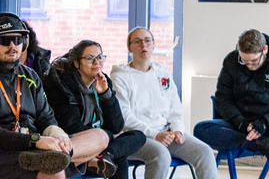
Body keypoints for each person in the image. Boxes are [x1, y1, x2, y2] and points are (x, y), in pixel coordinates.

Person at [0, 12, 110, 179]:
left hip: (38, 146)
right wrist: (35, 141)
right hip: (7, 150)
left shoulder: (30, 75)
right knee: (55, 172)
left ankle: (54, 156)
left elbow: (46, 117)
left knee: (101, 136)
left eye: (17, 40)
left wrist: (58, 136)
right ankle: (56, 158)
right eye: (4, 41)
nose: (12, 46)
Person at [193, 29, 269, 179]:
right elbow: (223, 99)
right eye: (244, 61)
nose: (249, 65)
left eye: (254, 61)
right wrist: (242, 123)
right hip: (243, 124)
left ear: (265, 49)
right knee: (201, 129)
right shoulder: (232, 61)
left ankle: (266, 141)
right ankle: (262, 143)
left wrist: (265, 123)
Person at [111, 27, 219, 179]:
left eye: (148, 40)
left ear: (154, 45)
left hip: (166, 133)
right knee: (161, 154)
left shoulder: (162, 73)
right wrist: (155, 134)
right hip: (136, 137)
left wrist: (178, 130)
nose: (144, 45)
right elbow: (124, 117)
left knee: (204, 152)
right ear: (129, 47)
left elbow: (175, 108)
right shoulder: (120, 77)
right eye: (137, 41)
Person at [43, 40, 146, 178]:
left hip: (100, 141)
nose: (96, 62)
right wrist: (106, 135)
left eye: (100, 57)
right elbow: (71, 127)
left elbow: (117, 126)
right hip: (75, 144)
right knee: (119, 157)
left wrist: (105, 94)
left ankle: (105, 156)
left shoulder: (103, 81)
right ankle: (105, 156)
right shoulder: (63, 85)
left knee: (138, 136)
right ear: (76, 63)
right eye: (90, 58)